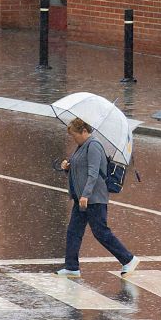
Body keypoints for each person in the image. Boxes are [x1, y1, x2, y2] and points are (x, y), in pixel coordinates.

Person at [56, 118, 139, 278]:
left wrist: (86, 195)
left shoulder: (93, 145)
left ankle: (128, 259)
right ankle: (72, 267)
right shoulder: (81, 146)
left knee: (101, 232)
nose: (73, 138)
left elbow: (93, 173)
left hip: (94, 199)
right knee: (73, 232)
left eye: (74, 135)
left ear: (84, 131)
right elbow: (79, 168)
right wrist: (68, 166)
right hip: (81, 199)